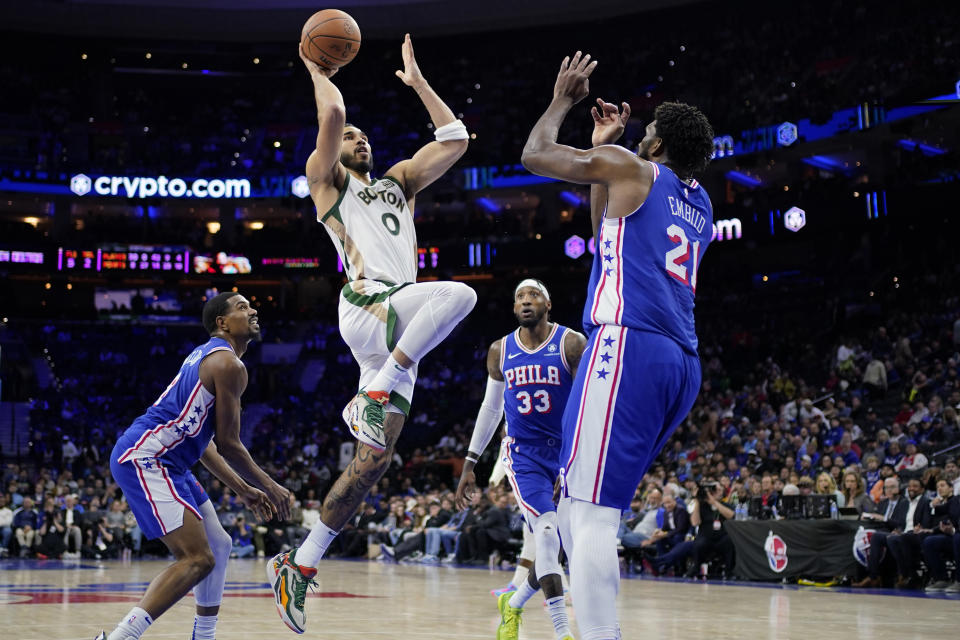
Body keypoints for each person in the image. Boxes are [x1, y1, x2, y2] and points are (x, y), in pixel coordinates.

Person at [268, 34, 475, 635]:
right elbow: (332, 114)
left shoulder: (399, 184)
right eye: (354, 136)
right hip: (370, 304)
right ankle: (374, 395)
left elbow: (456, 140)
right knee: (458, 294)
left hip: (398, 335)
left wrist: (417, 84)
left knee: (372, 464)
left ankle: (299, 567)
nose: (360, 139)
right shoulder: (326, 182)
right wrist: (315, 66)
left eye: (365, 136)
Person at [522, 52, 715, 640]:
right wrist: (607, 146)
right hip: (680, 363)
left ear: (653, 148)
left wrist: (563, 101)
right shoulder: (700, 202)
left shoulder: (634, 168)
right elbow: (606, 237)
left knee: (592, 514)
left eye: (644, 133)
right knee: (588, 509)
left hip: (629, 346)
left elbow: (533, 156)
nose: (639, 136)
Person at [93, 292, 289, 640]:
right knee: (197, 559)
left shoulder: (206, 357)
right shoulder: (228, 365)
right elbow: (230, 444)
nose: (253, 310)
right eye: (242, 307)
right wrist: (272, 486)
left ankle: (204, 635)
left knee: (218, 546)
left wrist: (243, 489)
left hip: (171, 462)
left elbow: (203, 444)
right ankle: (120, 638)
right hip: (148, 458)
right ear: (222, 323)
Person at [455, 279, 586, 640]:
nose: (526, 301)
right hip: (523, 453)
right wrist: (470, 462)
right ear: (514, 308)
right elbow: (490, 407)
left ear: (548, 304)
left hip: (565, 452)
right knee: (545, 536)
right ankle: (563, 633)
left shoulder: (572, 343)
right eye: (520, 297)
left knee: (559, 546)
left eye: (534, 295)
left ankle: (512, 605)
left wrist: (575, 457)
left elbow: (586, 404)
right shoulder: (501, 350)